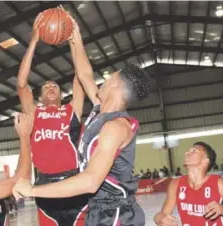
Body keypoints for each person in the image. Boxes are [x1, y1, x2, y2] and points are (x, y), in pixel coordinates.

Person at [13, 22, 153, 225]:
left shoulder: (115, 127)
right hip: (96, 207)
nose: (101, 81)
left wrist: (32, 190)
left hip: (114, 213)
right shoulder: (99, 109)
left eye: (107, 78)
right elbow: (84, 74)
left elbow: (90, 181)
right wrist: (75, 37)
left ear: (115, 86)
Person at [15, 8, 90, 226]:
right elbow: (21, 84)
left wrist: (73, 40)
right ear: (39, 96)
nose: (51, 86)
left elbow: (81, 76)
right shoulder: (34, 113)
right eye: (46, 86)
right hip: (45, 187)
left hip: (75, 183)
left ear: (60, 94)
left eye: (55, 85)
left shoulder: (70, 110)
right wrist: (34, 40)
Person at [154, 142, 223, 226]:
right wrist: (158, 217)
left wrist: (221, 209)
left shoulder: (218, 182)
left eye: (194, 151)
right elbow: (163, 214)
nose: (186, 153)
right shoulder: (176, 183)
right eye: (188, 151)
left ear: (206, 160)